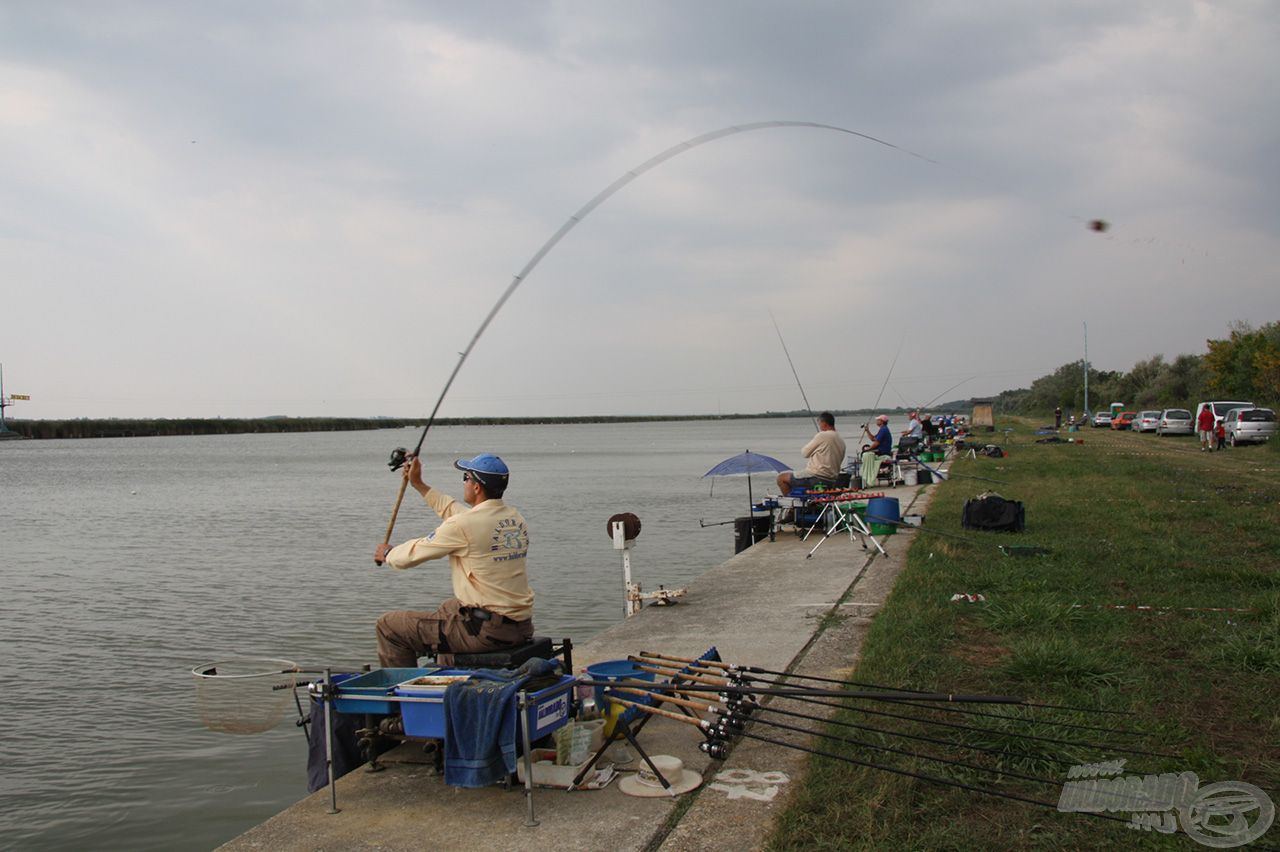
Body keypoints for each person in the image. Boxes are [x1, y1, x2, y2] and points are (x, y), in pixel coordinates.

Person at [373, 453, 534, 666]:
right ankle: (447, 671)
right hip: (520, 625)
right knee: (449, 607)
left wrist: (388, 555)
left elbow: (411, 556)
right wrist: (419, 484)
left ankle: (404, 694)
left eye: (466, 478)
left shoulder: (463, 526)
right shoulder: (514, 517)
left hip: (487, 634)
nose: (464, 483)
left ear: (476, 487)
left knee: (388, 626)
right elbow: (454, 511)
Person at [776, 411, 847, 494]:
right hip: (831, 480)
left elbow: (804, 453)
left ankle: (790, 503)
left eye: (819, 424)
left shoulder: (822, 435)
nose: (820, 427)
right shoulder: (841, 441)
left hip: (815, 477)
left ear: (824, 423)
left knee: (781, 478)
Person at [860, 414, 893, 488]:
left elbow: (876, 443)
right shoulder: (882, 429)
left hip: (883, 452)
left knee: (865, 454)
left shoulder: (883, 429)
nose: (876, 421)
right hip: (880, 451)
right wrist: (867, 430)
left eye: (878, 420)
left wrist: (868, 449)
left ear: (882, 421)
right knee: (866, 453)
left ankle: (867, 477)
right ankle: (867, 477)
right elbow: (873, 439)